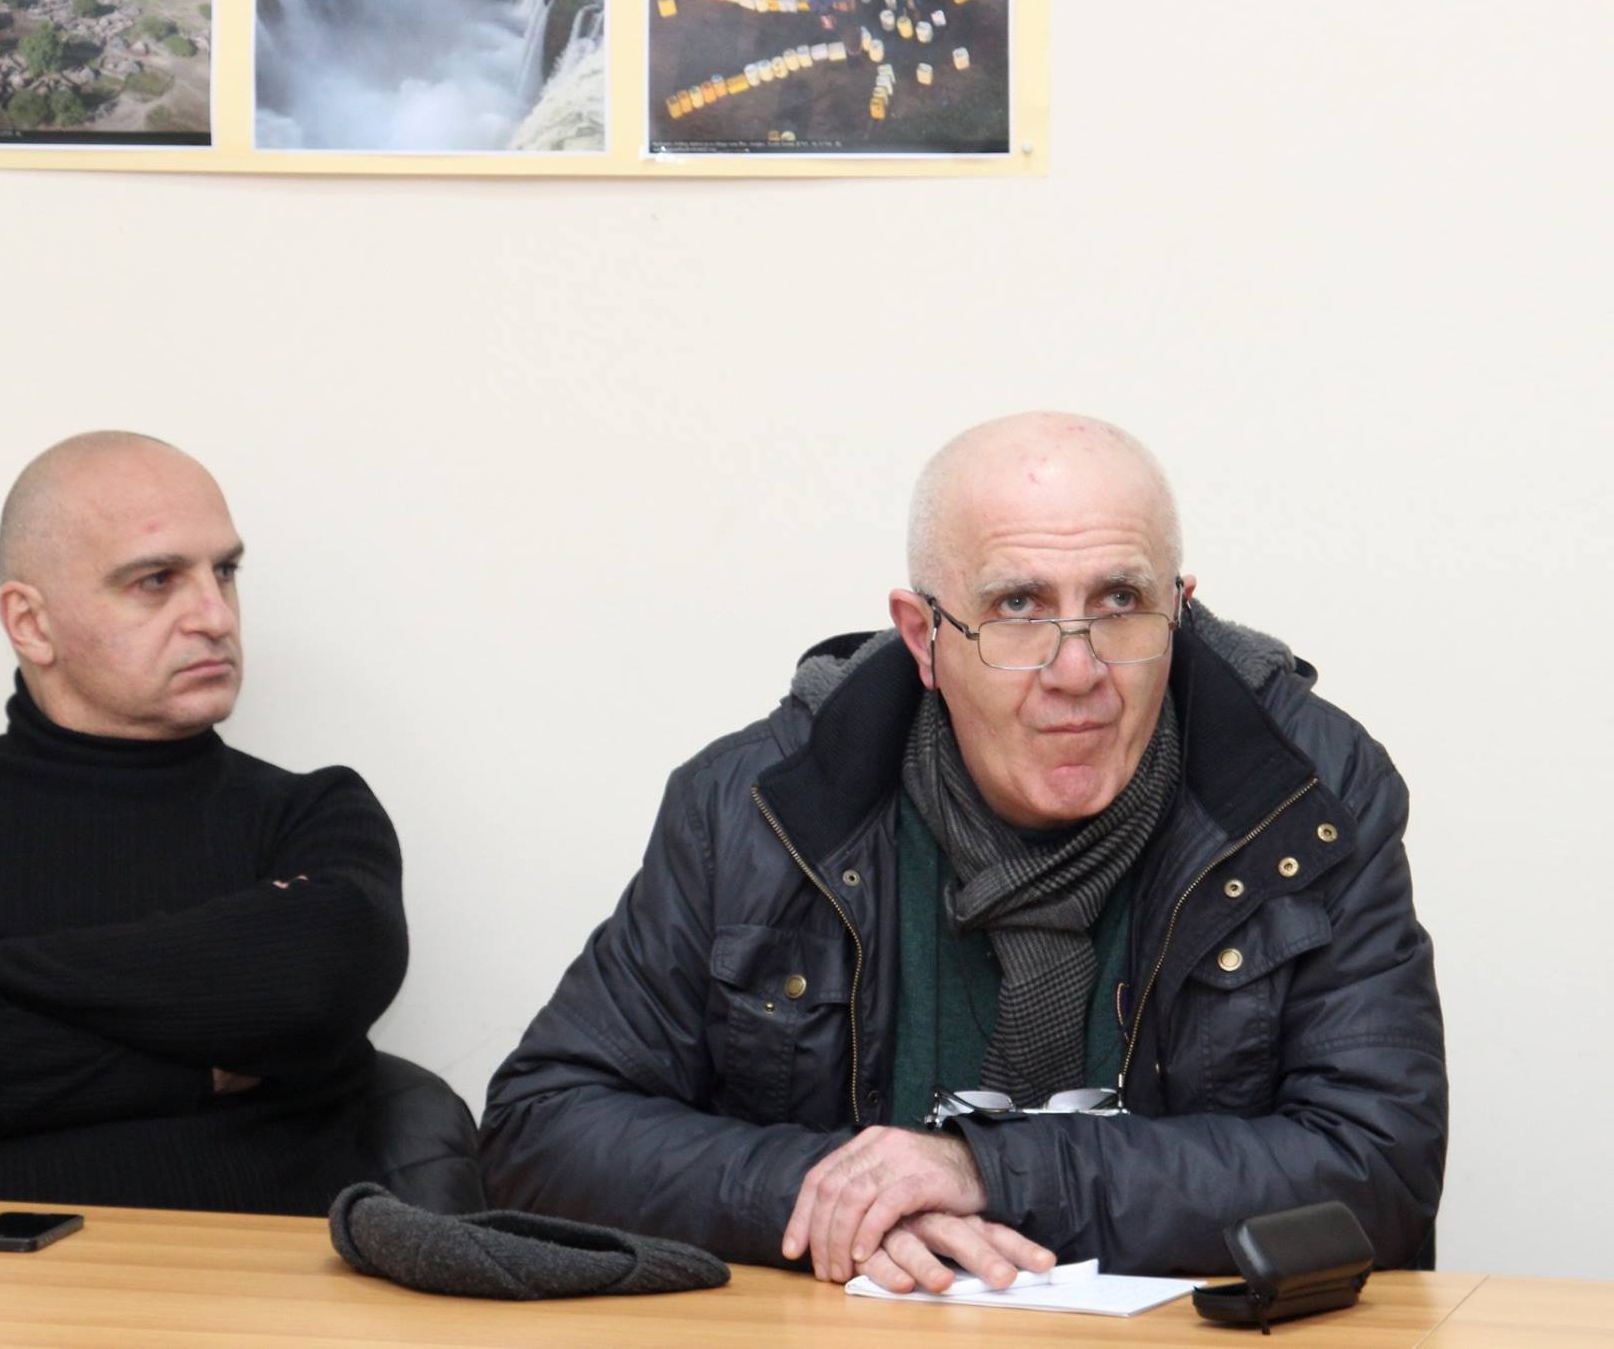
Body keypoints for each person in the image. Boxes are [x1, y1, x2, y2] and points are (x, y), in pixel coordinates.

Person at [481, 413, 1445, 1288]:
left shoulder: (1307, 796)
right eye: (1019, 606)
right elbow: (542, 1126)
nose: (1078, 669)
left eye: (1121, 600)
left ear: (1180, 612)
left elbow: (1381, 1168)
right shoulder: (754, 810)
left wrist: (989, 1171)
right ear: (924, 639)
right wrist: (837, 1194)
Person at [0, 431, 479, 1214]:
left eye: (225, 571)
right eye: (156, 580)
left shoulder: (314, 811)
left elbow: (314, 982)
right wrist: (200, 1068)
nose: (214, 615)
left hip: (255, 1279)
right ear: (31, 623)